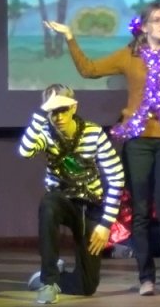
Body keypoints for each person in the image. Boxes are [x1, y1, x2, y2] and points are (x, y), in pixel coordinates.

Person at [46, 3, 160, 296]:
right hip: (137, 141)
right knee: (140, 211)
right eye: (156, 20)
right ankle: (146, 278)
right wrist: (69, 37)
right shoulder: (130, 55)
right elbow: (89, 69)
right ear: (144, 26)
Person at [19, 84, 125, 305]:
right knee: (48, 204)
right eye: (53, 111)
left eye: (63, 110)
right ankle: (48, 281)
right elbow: (25, 151)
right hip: (62, 200)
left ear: (74, 108)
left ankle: (54, 278)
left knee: (86, 286)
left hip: (90, 205)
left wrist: (106, 224)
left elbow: (116, 177)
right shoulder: (45, 133)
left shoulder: (93, 133)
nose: (58, 117)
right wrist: (41, 112)